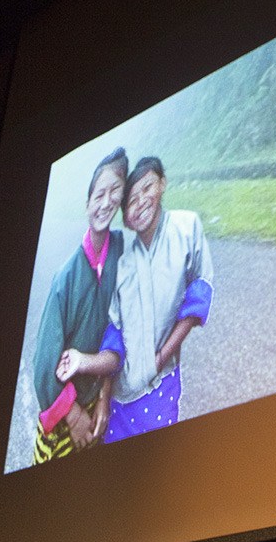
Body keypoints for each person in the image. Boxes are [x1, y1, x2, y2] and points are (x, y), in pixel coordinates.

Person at [55, 156, 213, 441]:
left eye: (147, 188)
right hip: (120, 397)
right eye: (130, 201)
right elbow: (115, 335)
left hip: (160, 384)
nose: (140, 202)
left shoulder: (187, 228)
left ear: (162, 184)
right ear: (125, 218)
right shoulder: (125, 266)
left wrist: (161, 358)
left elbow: (198, 293)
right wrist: (101, 392)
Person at [32, 147, 128, 462]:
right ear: (87, 204)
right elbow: (44, 367)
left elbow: (120, 329)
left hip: (98, 406)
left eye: (115, 191)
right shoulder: (65, 279)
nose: (106, 201)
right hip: (65, 415)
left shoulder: (120, 250)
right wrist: (73, 416)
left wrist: (103, 397)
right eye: (99, 194)